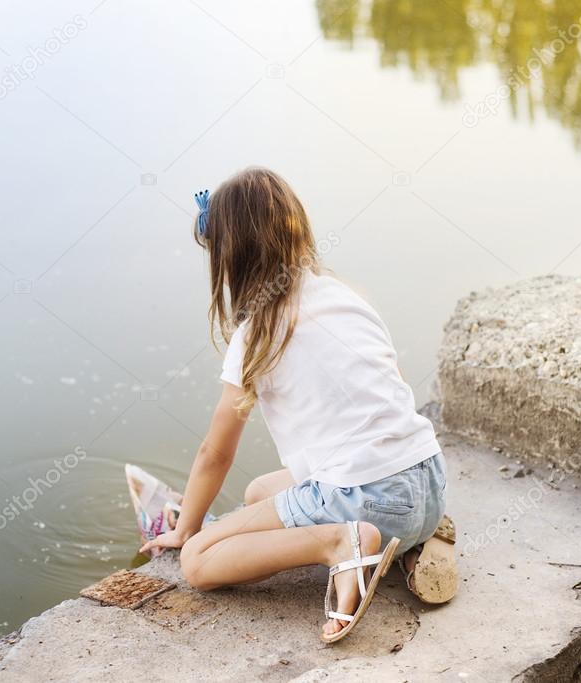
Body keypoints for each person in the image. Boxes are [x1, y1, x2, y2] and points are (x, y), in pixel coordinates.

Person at [140, 167, 458, 642]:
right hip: (428, 479)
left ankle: (340, 545)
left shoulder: (256, 336)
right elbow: (395, 388)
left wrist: (188, 529)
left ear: (231, 259)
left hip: (367, 500)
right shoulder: (346, 297)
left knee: (199, 561)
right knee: (257, 494)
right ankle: (410, 541)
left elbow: (215, 453)